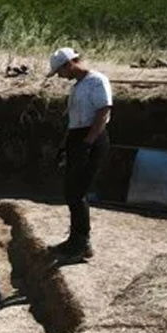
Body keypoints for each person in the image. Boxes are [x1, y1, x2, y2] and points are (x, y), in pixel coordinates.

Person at [48, 47, 113, 261]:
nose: (60, 76)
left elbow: (103, 114)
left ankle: (82, 243)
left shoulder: (97, 81)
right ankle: (75, 239)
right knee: (71, 190)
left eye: (60, 71)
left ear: (69, 64)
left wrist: (87, 143)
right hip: (78, 138)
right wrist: (65, 145)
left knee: (77, 191)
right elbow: (74, 121)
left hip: (92, 139)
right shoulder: (78, 87)